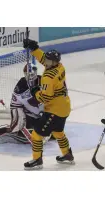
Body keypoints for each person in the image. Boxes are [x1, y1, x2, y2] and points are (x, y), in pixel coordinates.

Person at [23, 38, 74, 170]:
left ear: (53, 62)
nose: (45, 61)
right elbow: (43, 58)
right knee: (58, 132)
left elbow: (44, 98)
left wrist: (35, 91)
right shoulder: (60, 67)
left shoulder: (48, 78)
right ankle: (67, 154)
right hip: (64, 106)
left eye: (48, 60)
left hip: (54, 110)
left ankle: (37, 160)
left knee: (36, 135)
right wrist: (34, 48)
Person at [0, 64, 48, 144]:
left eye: (32, 74)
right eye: (27, 74)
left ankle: (32, 128)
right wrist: (41, 112)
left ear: (35, 73)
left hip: (35, 109)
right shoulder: (21, 85)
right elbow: (25, 103)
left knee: (51, 128)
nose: (30, 76)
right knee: (16, 128)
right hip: (20, 108)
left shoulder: (42, 80)